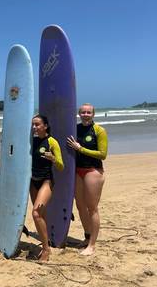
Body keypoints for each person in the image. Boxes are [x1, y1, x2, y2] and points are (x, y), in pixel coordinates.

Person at [67, 103, 108, 256]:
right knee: (80, 206)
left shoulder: (99, 131)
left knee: (92, 208)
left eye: (88, 112)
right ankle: (87, 236)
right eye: (83, 112)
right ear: (79, 114)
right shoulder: (75, 129)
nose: (85, 114)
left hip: (93, 171)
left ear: (93, 114)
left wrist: (81, 149)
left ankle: (92, 245)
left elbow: (103, 154)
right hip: (78, 171)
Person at [29, 114, 64, 262]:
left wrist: (53, 159)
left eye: (37, 124)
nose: (34, 127)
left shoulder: (52, 141)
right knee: (41, 215)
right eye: (33, 125)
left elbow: (61, 166)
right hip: (32, 181)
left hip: (46, 181)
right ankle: (46, 241)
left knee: (36, 213)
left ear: (45, 126)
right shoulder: (31, 141)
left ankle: (46, 249)